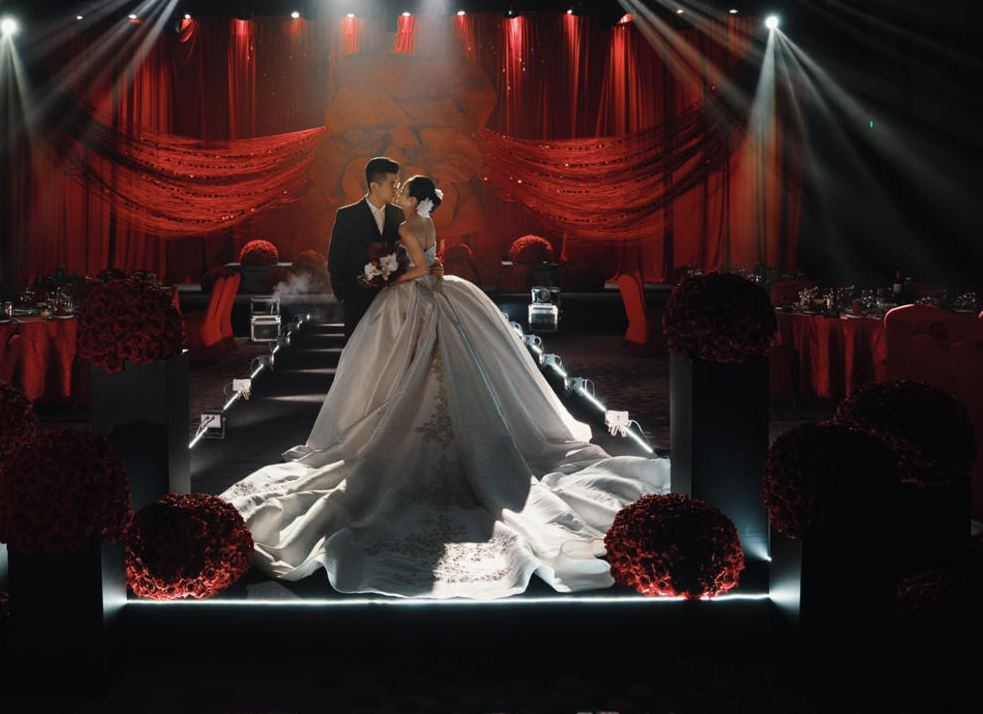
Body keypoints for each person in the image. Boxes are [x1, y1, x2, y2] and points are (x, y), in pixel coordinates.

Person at [223, 177, 671, 599]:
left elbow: (419, 267)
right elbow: (433, 262)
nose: (401, 196)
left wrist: (385, 278)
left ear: (414, 199)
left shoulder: (407, 225)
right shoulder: (426, 223)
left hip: (415, 295)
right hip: (442, 292)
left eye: (405, 192)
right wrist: (396, 271)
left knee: (409, 365)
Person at [326, 157, 407, 341]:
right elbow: (335, 264)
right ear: (374, 186)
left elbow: (403, 254)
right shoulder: (347, 216)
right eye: (392, 184)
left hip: (391, 304)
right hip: (357, 304)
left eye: (398, 184)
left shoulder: (398, 214)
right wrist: (347, 301)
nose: (397, 189)